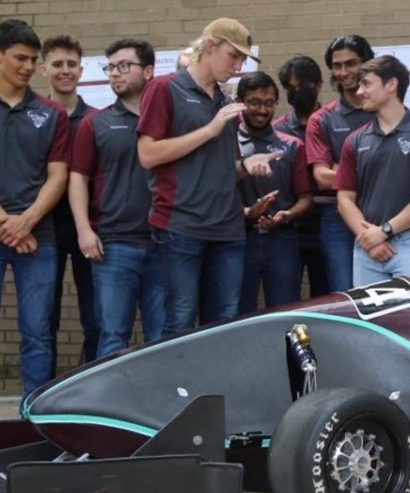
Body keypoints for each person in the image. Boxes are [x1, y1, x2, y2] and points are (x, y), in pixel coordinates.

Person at [136, 18, 279, 336]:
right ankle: (175, 388)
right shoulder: (164, 88)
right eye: (233, 55)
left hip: (228, 230)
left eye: (243, 59)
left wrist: (249, 164)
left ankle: (216, 387)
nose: (238, 65)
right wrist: (210, 129)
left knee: (225, 324)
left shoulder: (227, 103)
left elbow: (223, 169)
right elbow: (147, 154)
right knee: (180, 320)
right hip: (180, 227)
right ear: (210, 46)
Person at [0, 19, 70, 420]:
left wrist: (25, 222)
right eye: (20, 58)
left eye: (33, 60)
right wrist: (5, 225)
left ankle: (34, 417)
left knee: (38, 335)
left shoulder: (51, 114)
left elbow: (58, 175)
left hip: (37, 237)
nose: (28, 66)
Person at [68, 38, 164, 359]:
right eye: (111, 67)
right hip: (113, 245)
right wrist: (84, 229)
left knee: (163, 337)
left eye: (125, 66)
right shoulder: (94, 123)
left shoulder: (169, 122)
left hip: (165, 243)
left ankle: (159, 407)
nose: (115, 74)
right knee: (112, 335)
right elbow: (77, 178)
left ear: (148, 71)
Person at [334, 55, 410, 294]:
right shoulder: (355, 140)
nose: (359, 91)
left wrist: (385, 231)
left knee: (408, 326)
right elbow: (344, 199)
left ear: (391, 85)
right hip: (366, 246)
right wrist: (368, 237)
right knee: (368, 328)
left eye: (366, 83)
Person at [40, 34, 99, 367]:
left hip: (87, 228)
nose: (65, 71)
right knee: (44, 318)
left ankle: (87, 391)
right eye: (58, 64)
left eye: (72, 64)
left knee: (94, 317)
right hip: (43, 229)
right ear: (44, 69)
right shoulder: (34, 116)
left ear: (81, 69)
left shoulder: (96, 119)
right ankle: (45, 392)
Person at [237, 71, 313, 312]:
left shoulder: (291, 145)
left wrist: (286, 215)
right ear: (240, 103)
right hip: (237, 240)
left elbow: (306, 199)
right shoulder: (226, 143)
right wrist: (246, 212)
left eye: (269, 103)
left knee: (284, 315)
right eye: (254, 102)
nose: (262, 110)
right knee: (237, 315)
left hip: (282, 241)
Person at [306, 35, 375, 292]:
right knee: (346, 294)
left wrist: (342, 171)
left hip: (382, 214)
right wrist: (373, 175)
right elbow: (322, 177)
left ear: (367, 64)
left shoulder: (384, 111)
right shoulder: (322, 119)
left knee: (383, 297)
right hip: (337, 219)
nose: (344, 72)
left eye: (351, 63)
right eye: (337, 66)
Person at [274, 55, 328, 297]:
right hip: (290, 224)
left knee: (327, 297)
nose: (297, 93)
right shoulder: (277, 129)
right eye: (290, 89)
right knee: (285, 298)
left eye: (303, 87)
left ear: (318, 85)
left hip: (326, 223)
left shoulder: (331, 123)